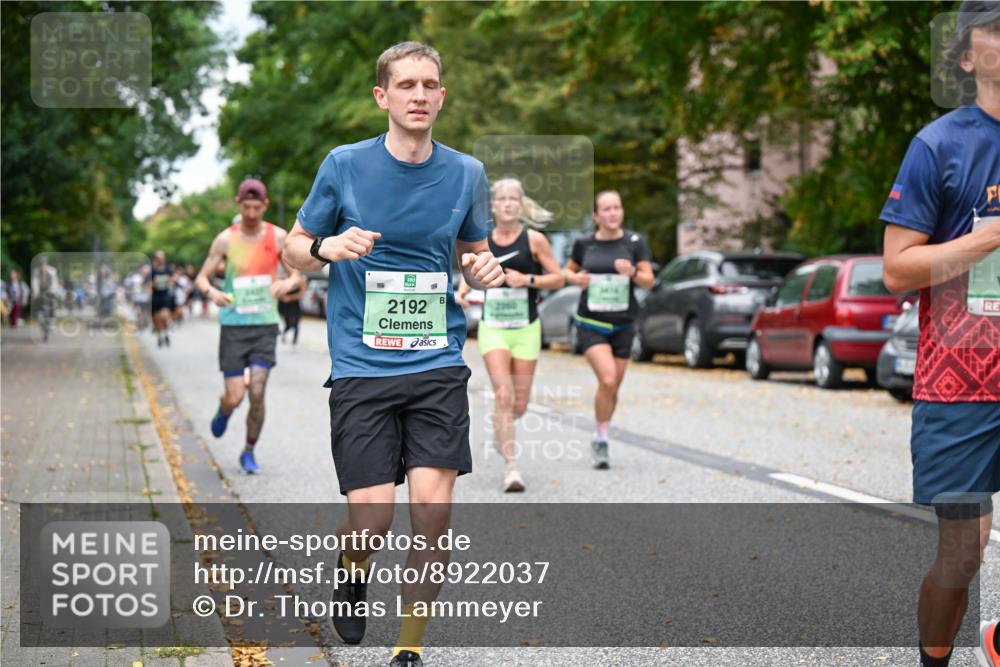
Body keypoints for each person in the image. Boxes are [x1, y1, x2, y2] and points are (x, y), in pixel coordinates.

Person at [283, 41, 503, 667]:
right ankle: (352, 574)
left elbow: (473, 255)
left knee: (432, 518)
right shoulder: (345, 165)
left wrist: (484, 270)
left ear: (441, 95)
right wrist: (328, 248)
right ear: (383, 96)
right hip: (361, 365)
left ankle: (408, 650)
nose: (418, 95)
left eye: (429, 85)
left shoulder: (466, 173)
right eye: (405, 85)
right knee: (372, 519)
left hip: (436, 362)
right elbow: (292, 250)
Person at [880, 4, 999, 666]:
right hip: (962, 383)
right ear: (965, 58)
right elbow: (898, 269)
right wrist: (985, 238)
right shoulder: (939, 145)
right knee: (961, 554)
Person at [456, 178, 564, 492]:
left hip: (526, 328)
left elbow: (558, 279)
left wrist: (527, 279)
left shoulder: (534, 240)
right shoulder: (483, 239)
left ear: (520, 204)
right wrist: (464, 288)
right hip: (494, 329)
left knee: (519, 405)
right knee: (503, 395)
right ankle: (512, 468)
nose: (506, 203)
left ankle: (502, 427)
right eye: (501, 198)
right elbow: (471, 271)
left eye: (512, 199)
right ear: (493, 205)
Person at [195, 179, 304, 475]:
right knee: (236, 396)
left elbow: (298, 276)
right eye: (247, 207)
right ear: (238, 204)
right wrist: (212, 293)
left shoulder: (279, 237)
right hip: (233, 326)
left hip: (265, 326)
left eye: (257, 207)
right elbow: (202, 278)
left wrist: (286, 282)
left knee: (257, 391)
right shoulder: (225, 240)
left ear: (265, 205)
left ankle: (249, 450)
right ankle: (224, 408)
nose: (252, 213)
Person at [563, 190, 654, 469]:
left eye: (617, 208)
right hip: (592, 323)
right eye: (607, 209)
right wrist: (577, 279)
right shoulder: (584, 243)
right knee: (608, 380)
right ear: (596, 215)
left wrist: (633, 273)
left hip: (624, 323)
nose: (613, 213)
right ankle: (601, 439)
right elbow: (567, 272)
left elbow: (649, 280)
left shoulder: (635, 242)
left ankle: (601, 431)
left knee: (614, 387)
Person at [148, 250, 175, 347]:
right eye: (159, 258)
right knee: (157, 318)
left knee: (165, 313)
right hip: (156, 296)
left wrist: (169, 281)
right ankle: (160, 336)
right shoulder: (152, 270)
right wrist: (154, 283)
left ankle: (167, 331)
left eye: (162, 258)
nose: (161, 260)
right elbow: (148, 284)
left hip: (165, 295)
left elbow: (173, 279)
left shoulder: (168, 269)